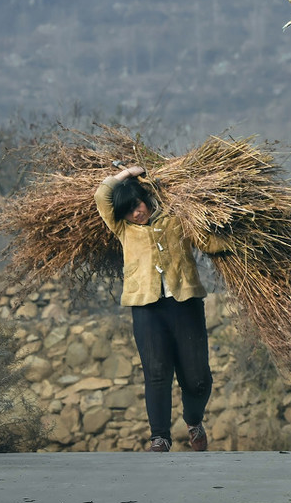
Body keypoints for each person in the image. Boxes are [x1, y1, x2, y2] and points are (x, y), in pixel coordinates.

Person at [95, 164, 230, 453]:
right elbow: (101, 195)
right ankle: (160, 437)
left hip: (185, 303)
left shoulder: (176, 218)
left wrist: (238, 240)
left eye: (137, 205)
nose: (135, 213)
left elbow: (206, 241)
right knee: (156, 373)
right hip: (146, 309)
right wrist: (126, 174)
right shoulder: (123, 228)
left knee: (198, 377)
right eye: (128, 211)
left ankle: (193, 421)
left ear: (145, 199)